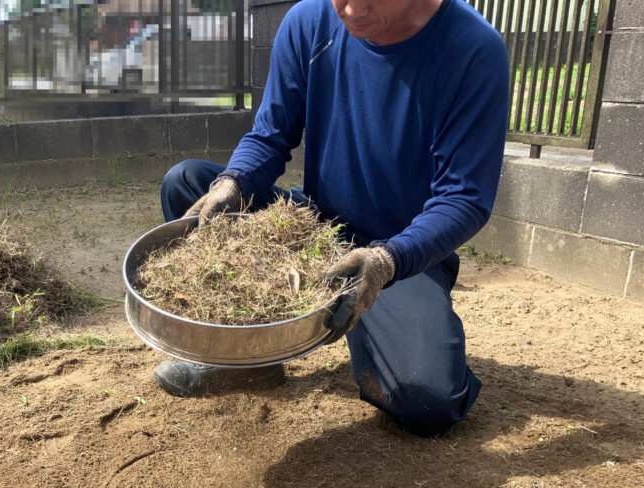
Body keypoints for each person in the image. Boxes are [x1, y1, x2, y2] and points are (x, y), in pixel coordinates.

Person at [153, 0, 509, 438]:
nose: (353, 8)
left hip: (399, 255)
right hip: (316, 231)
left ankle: (393, 329)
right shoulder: (310, 22)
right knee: (189, 185)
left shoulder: (472, 50)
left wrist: (388, 259)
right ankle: (248, 361)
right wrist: (234, 182)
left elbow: (464, 198)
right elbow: (271, 134)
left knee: (426, 402)